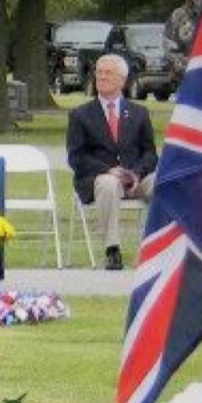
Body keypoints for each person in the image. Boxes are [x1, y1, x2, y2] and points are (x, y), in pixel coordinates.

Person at [66, 54, 157, 270]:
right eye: (99, 72)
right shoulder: (80, 115)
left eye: (108, 73)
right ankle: (112, 250)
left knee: (162, 182)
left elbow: (150, 154)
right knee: (108, 183)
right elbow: (76, 157)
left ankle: (156, 247)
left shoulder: (139, 113)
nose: (102, 77)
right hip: (99, 180)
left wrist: (135, 173)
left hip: (135, 179)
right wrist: (109, 170)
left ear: (122, 81)